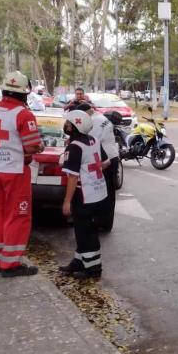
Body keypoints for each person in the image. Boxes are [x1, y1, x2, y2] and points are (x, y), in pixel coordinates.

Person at [0, 71, 43, 277]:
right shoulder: (23, 114)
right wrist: (39, 146)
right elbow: (32, 147)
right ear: (24, 93)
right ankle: (11, 264)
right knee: (18, 216)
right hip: (14, 172)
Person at [58, 110, 109, 279]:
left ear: (75, 126)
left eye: (68, 124)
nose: (65, 126)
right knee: (82, 230)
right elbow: (106, 162)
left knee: (86, 232)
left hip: (84, 195)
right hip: (99, 192)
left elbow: (73, 177)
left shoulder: (74, 147)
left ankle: (93, 269)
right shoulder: (92, 140)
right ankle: (79, 262)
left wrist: (67, 201)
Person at [77, 103, 119, 231]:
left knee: (101, 191)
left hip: (104, 158)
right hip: (112, 156)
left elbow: (91, 141)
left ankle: (100, 222)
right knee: (110, 192)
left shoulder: (93, 122)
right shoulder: (102, 118)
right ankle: (106, 223)